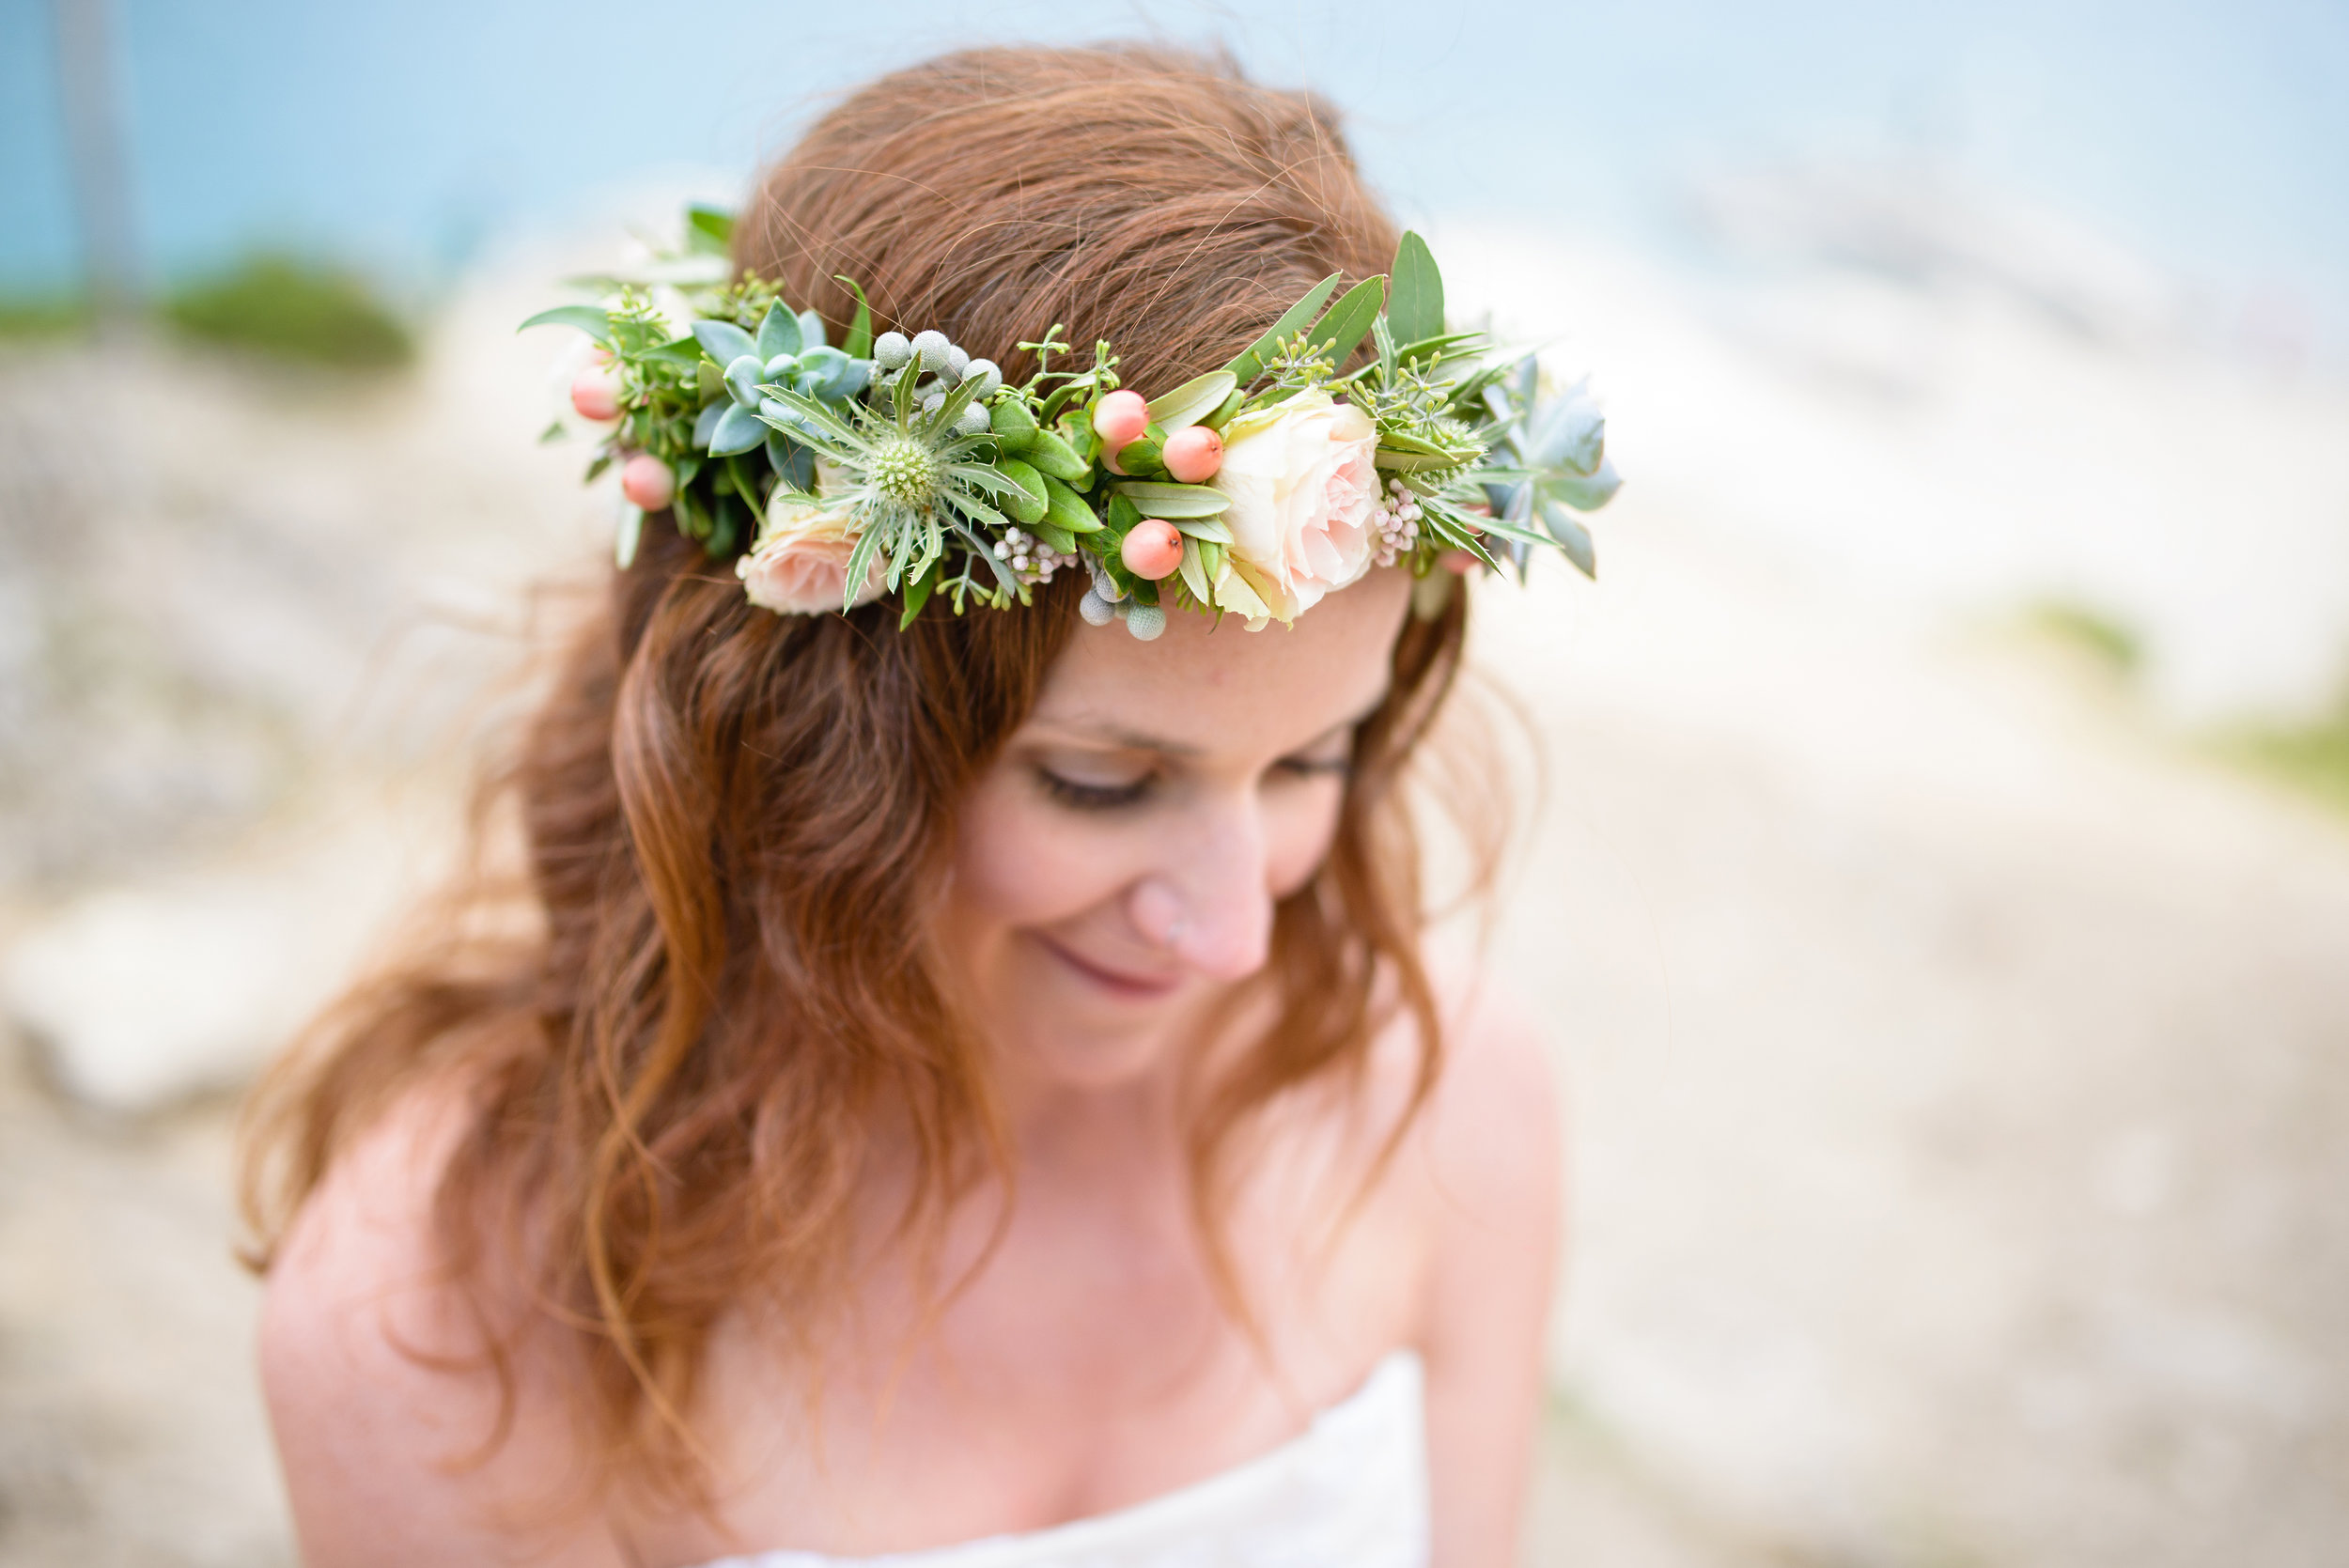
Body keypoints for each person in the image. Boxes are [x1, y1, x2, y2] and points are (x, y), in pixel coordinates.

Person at [241, 42, 1588, 1568]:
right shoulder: (449, 1311)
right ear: (808, 730)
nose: (1227, 932)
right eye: (1100, 783)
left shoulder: (1455, 1104)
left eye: (1310, 763)